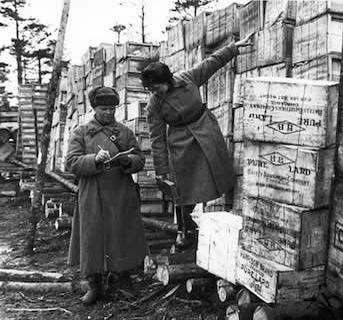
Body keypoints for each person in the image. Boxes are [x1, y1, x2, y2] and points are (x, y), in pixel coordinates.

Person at [141, 34, 253, 248]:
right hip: (181, 144)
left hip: (206, 130)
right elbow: (156, 139)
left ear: (167, 80)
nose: (153, 92)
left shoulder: (187, 78)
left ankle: (228, 218)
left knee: (219, 173)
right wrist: (161, 169)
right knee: (183, 189)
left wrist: (233, 48)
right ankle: (184, 229)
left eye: (156, 87)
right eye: (150, 89)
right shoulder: (154, 106)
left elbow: (211, 64)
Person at [66, 86, 148, 305]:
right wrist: (94, 159)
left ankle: (122, 278)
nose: (109, 113)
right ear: (94, 108)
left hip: (120, 191)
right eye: (104, 109)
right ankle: (94, 284)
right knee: (92, 236)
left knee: (121, 233)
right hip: (91, 193)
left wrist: (128, 161)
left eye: (112, 109)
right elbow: (71, 163)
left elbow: (140, 159)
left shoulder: (124, 132)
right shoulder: (81, 132)